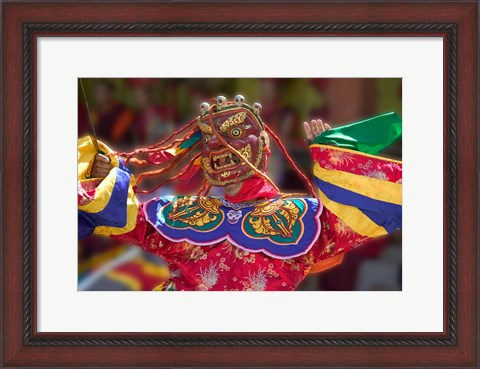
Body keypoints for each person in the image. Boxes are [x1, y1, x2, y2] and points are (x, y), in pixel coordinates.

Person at [78, 95, 402, 291]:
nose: (219, 146)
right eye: (209, 140)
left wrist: (333, 156)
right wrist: (109, 177)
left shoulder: (307, 217)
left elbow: (363, 213)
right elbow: (122, 215)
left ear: (262, 146)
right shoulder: (182, 212)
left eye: (234, 133)